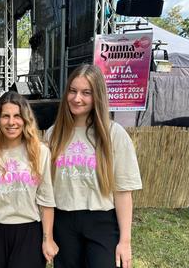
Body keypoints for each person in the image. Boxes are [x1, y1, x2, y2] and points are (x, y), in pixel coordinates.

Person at [46, 64, 142, 268]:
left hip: (101, 222)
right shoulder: (53, 134)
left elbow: (123, 191)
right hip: (63, 221)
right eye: (72, 91)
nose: (77, 98)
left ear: (97, 95)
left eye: (85, 92)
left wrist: (125, 241)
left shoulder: (113, 134)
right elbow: (45, 189)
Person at [0, 91, 59, 268]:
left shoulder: (39, 152)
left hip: (29, 230)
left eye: (17, 116)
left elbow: (46, 199)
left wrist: (47, 238)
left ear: (25, 120)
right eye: (5, 116)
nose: (11, 122)